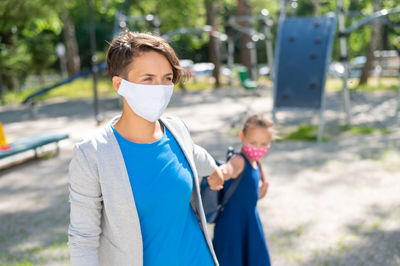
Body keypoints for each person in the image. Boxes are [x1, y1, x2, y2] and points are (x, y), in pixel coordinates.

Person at [68, 31, 224, 266]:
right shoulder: (92, 154)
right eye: (148, 78)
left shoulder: (176, 129)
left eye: (167, 78)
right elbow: (83, 239)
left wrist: (214, 170)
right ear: (119, 84)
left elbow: (192, 152)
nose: (160, 88)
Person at [212, 114, 273, 266]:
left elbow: (246, 194)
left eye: (263, 144)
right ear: (242, 137)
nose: (258, 148)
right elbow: (228, 169)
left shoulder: (256, 163)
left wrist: (259, 194)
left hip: (250, 223)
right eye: (253, 142)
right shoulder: (239, 160)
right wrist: (220, 173)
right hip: (232, 226)